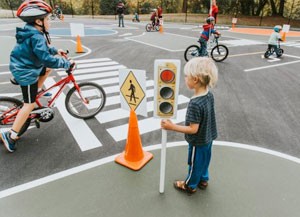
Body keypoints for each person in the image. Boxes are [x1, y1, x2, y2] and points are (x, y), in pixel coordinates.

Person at [1, 0, 74, 153]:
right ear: (38, 21)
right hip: (26, 71)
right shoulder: (36, 36)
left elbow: (43, 50)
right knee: (28, 104)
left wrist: (55, 50)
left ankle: (37, 90)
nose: (50, 22)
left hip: (25, 65)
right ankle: (11, 136)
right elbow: (45, 58)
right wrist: (65, 64)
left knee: (46, 69)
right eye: (47, 19)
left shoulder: (32, 31)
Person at [161, 57, 218, 195]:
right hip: (209, 137)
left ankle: (190, 185)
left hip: (198, 142)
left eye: (186, 76)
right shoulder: (209, 95)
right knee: (205, 160)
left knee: (194, 164)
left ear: (195, 79)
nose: (185, 78)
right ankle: (203, 180)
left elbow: (193, 129)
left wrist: (172, 127)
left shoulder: (195, 103)